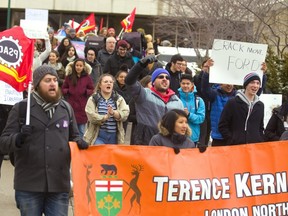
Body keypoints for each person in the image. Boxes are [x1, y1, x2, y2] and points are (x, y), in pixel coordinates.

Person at [0, 65, 88, 216]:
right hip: (29, 185)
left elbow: (74, 136)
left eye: (55, 80)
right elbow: (4, 142)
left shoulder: (66, 108)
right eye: (47, 80)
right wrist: (18, 138)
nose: (53, 83)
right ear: (36, 85)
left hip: (59, 185)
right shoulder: (21, 109)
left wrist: (79, 142)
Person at [125, 55, 184, 145]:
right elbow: (129, 81)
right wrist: (140, 65)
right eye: (160, 77)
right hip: (145, 143)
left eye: (167, 78)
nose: (164, 79)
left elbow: (180, 126)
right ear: (153, 82)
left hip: (168, 144)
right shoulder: (144, 94)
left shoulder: (177, 102)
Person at [218, 72, 265, 145]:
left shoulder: (260, 105)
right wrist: (231, 139)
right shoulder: (232, 103)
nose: (255, 86)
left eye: (258, 83)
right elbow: (223, 125)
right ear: (246, 85)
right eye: (252, 82)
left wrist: (259, 140)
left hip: (254, 148)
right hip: (236, 147)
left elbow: (260, 127)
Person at [84, 74, 130, 145]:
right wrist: (105, 117)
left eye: (111, 82)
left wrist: (114, 113)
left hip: (114, 136)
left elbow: (125, 114)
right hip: (98, 136)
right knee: (101, 154)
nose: (108, 83)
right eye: (105, 82)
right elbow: (90, 116)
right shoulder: (93, 98)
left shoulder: (119, 98)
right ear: (100, 85)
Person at [62, 59, 94, 138]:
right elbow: (63, 88)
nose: (78, 67)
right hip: (71, 104)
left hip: (82, 105)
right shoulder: (69, 77)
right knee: (69, 127)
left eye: (80, 66)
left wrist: (85, 91)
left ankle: (80, 145)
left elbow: (92, 89)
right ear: (74, 66)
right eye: (77, 65)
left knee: (81, 129)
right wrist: (68, 91)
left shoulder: (87, 77)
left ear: (83, 67)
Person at [178, 74, 205, 144]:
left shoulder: (199, 100)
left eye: (188, 83)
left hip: (193, 137)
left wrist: (189, 115)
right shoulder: (176, 98)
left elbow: (201, 118)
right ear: (180, 84)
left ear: (192, 84)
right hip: (178, 136)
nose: (185, 86)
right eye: (183, 83)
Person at [114, 65, 132, 132]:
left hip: (124, 114)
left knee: (122, 134)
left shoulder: (130, 88)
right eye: (121, 77)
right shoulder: (112, 87)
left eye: (125, 77)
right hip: (113, 113)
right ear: (117, 78)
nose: (123, 79)